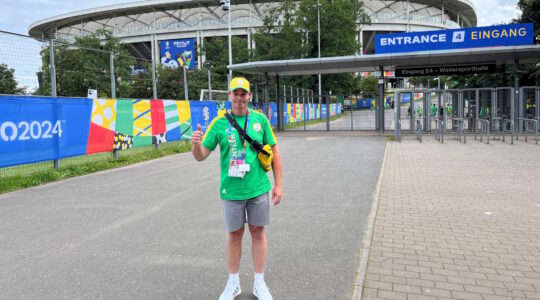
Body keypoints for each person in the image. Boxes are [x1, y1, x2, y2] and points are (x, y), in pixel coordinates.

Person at [191, 77, 283, 300]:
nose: (240, 98)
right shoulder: (219, 123)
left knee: (258, 232)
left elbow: (275, 153)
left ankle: (260, 284)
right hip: (231, 191)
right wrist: (196, 144)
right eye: (236, 93)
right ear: (229, 96)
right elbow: (201, 156)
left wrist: (278, 184)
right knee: (234, 234)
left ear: (249, 96)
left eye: (244, 94)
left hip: (259, 188)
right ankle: (233, 284)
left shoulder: (260, 120)